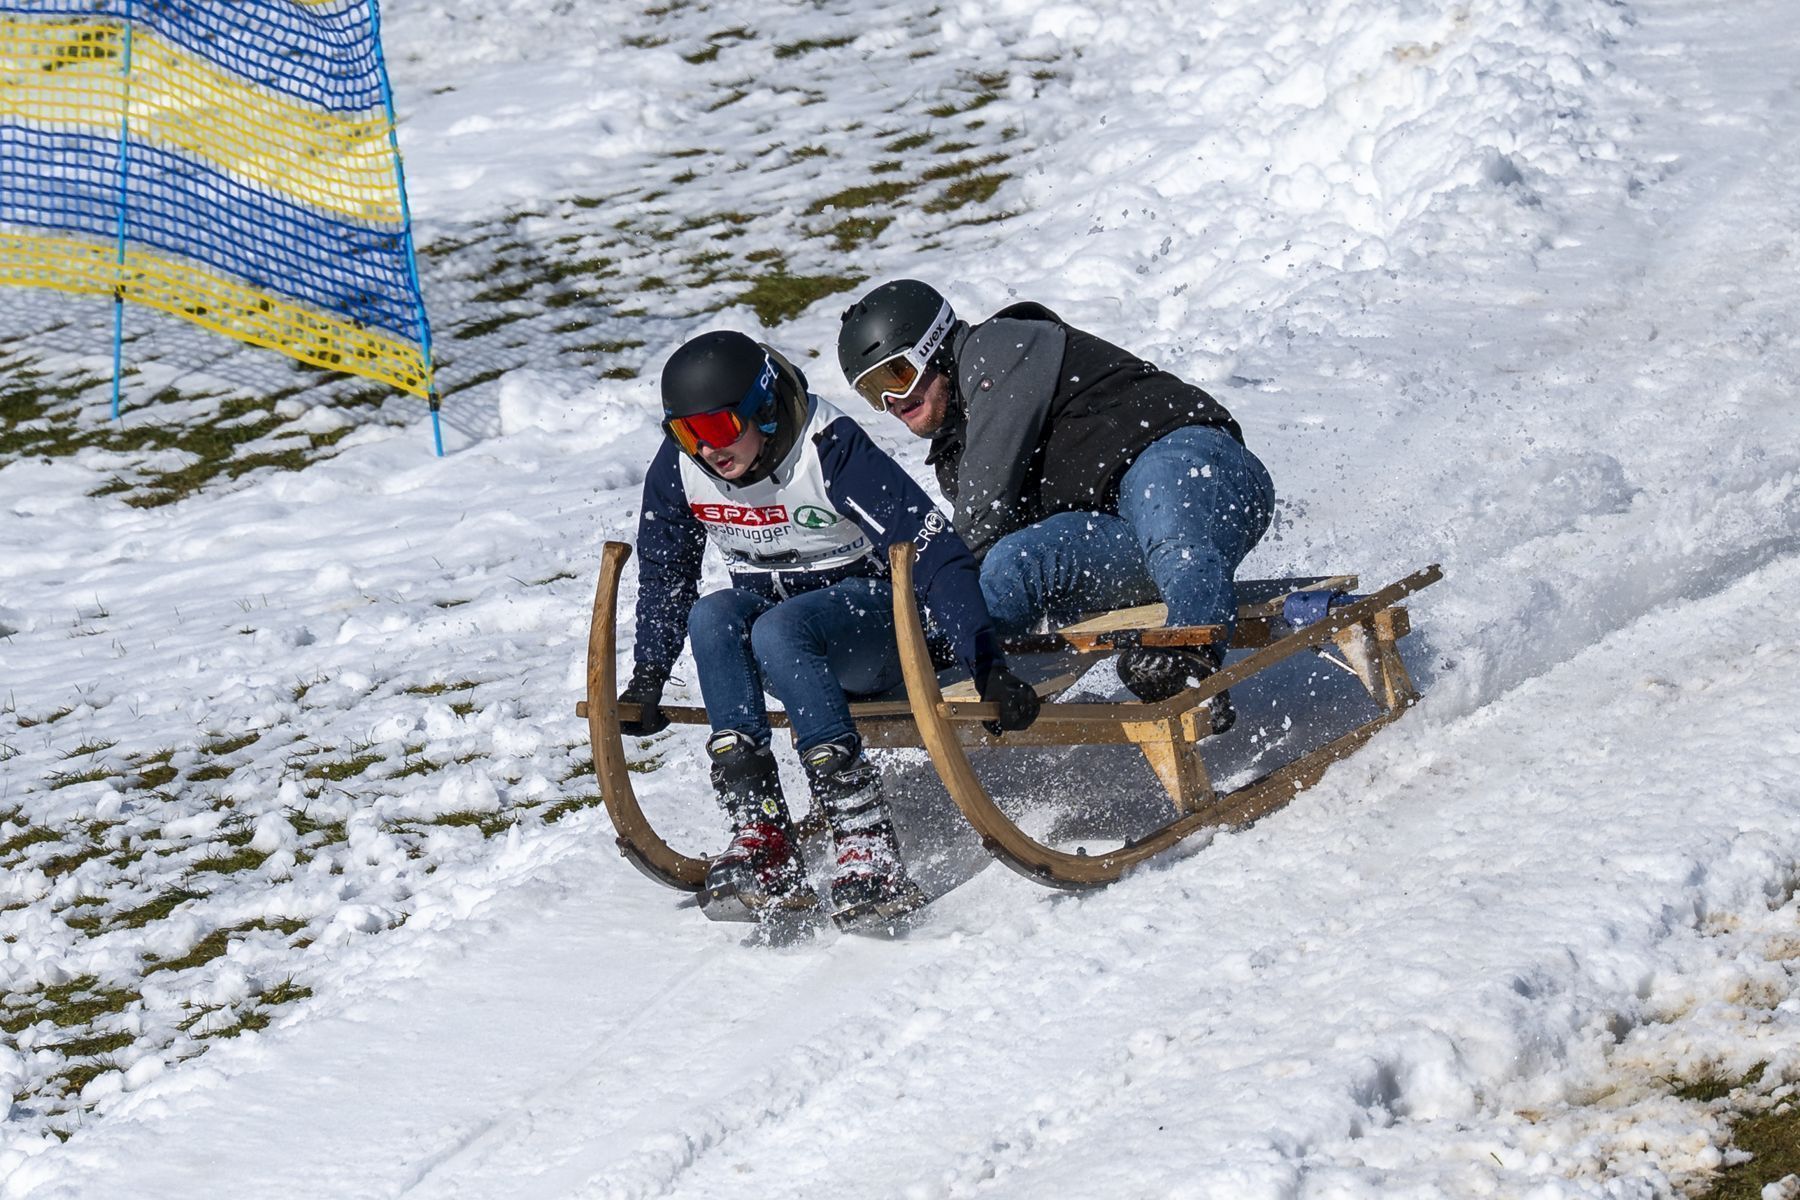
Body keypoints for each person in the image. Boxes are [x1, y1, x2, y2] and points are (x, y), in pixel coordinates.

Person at [617, 330, 1040, 927]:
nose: (705, 451)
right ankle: (760, 833)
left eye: (716, 429)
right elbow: (665, 573)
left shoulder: (828, 446)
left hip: (879, 634)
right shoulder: (682, 468)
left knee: (779, 628)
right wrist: (648, 679)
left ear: (762, 406)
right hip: (790, 646)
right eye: (687, 434)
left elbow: (936, 552)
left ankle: (865, 837)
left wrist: (988, 666)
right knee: (712, 614)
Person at [836, 280, 1276, 731]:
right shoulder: (955, 455)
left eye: (897, 376)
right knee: (1013, 561)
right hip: (1127, 537)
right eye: (874, 392)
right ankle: (938, 664)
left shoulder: (998, 348)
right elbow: (991, 547)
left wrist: (924, 584)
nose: (892, 402)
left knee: (1156, 491)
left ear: (933, 345)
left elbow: (983, 515)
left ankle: (1191, 655)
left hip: (1206, 473)